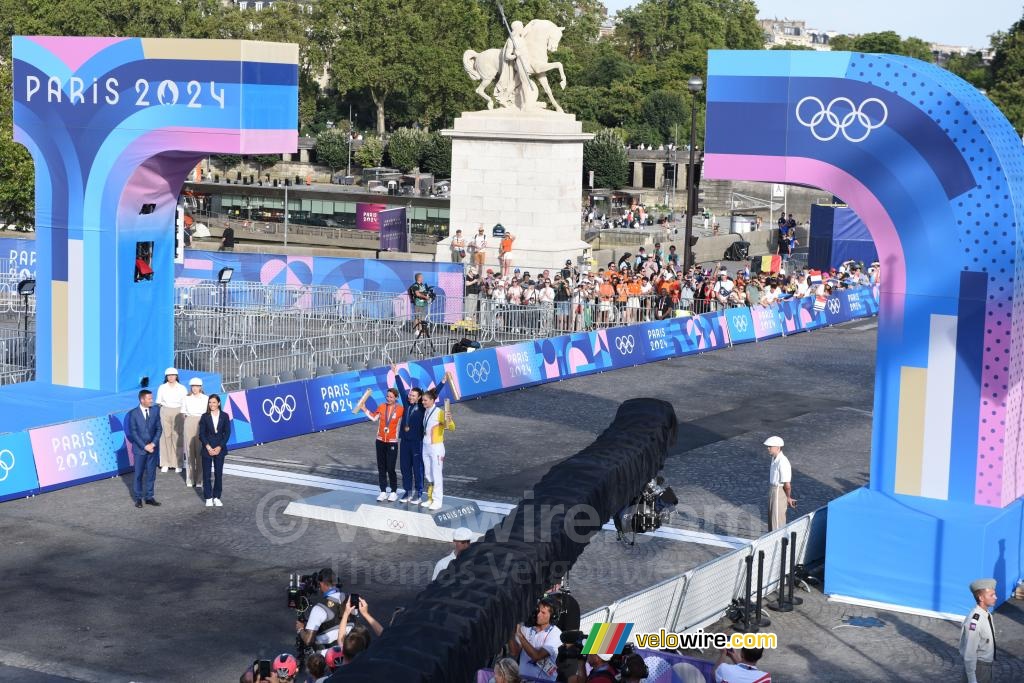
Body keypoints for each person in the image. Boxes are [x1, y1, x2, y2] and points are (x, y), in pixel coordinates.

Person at [361, 388, 404, 502]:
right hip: (380, 441)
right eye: (387, 396)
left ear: (396, 398)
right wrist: (365, 409)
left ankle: (394, 491)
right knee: (381, 468)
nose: (388, 398)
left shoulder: (400, 409)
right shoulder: (381, 407)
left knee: (390, 468)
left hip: (392, 442)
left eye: (391, 397)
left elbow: (407, 422)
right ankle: (383, 491)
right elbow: (374, 418)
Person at [508, 597, 562, 681]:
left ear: (552, 616)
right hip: (523, 679)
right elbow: (514, 652)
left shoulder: (556, 634)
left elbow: (537, 656)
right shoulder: (526, 628)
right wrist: (510, 632)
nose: (538, 615)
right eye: (538, 611)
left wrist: (520, 635)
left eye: (543, 613)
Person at [393, 367, 426, 504]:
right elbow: (401, 390)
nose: (410, 396)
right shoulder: (406, 404)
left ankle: (418, 493)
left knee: (417, 468)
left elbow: (434, 394)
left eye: (413, 395)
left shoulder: (423, 407)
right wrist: (396, 374)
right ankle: (407, 491)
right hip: (405, 441)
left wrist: (442, 382)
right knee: (405, 467)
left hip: (417, 442)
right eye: (410, 395)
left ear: (419, 398)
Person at [125, 389, 162, 508]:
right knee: (139, 475)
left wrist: (153, 444)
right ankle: (138, 498)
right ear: (142, 400)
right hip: (140, 450)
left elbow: (159, 429)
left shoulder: (155, 411)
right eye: (149, 399)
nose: (152, 400)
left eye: (152, 398)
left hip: (153, 449)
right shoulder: (133, 413)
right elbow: (134, 432)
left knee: (151, 474)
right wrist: (145, 446)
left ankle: (149, 497)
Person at [420, 388, 455, 511]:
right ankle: (430, 498)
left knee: (436, 474)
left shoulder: (439, 412)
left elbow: (451, 427)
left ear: (432, 400)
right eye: (422, 400)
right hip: (426, 446)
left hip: (436, 448)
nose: (423, 402)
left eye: (425, 400)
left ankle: (438, 500)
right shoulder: (426, 412)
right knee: (428, 473)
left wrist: (449, 419)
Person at [298, 569, 346, 654]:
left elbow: (308, 641)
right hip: (348, 650)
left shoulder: (319, 609)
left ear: (322, 583)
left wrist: (300, 629)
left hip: (326, 656)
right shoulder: (350, 600)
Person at [960, 578, 998, 683]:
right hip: (979, 668)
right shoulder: (974, 622)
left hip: (986, 666)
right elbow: (969, 654)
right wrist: (972, 680)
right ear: (981, 597)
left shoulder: (987, 614)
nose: (996, 597)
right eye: (991, 595)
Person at [198, 393, 231, 507]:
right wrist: (208, 447)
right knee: (206, 474)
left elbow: (227, 433)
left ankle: (217, 496)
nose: (211, 404)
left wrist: (219, 447)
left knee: (218, 474)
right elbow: (201, 434)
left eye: (214, 402)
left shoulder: (225, 416)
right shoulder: (204, 416)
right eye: (210, 402)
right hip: (207, 449)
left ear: (219, 403)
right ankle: (208, 497)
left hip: (219, 449)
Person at [156, 367, 186, 473]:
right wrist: (165, 410)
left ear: (176, 376)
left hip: (178, 411)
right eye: (169, 375)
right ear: (166, 377)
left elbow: (184, 402)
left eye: (173, 375)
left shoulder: (182, 388)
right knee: (165, 436)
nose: (171, 377)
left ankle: (178, 463)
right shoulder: (162, 387)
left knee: (177, 436)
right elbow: (159, 401)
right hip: (165, 410)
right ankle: (165, 463)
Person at [763, 436, 796, 530]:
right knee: (771, 519)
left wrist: (788, 497)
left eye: (770, 446)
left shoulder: (783, 462)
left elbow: (787, 485)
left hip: (779, 491)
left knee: (777, 521)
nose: (768, 448)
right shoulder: (774, 458)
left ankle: (779, 543)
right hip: (773, 490)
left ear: (778, 447)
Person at [180, 377, 207, 488]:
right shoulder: (186, 398)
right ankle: (190, 478)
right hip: (189, 421)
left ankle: (200, 479)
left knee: (200, 451)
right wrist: (188, 422)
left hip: (201, 421)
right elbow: (183, 413)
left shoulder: (206, 398)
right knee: (189, 451)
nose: (195, 388)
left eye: (197, 386)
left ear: (201, 387)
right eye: (193, 386)